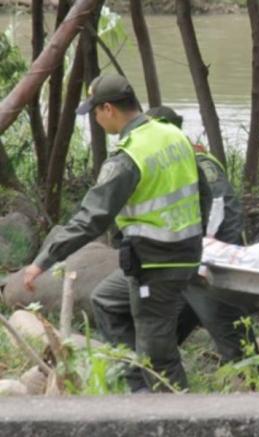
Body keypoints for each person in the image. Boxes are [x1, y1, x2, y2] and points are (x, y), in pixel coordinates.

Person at [23, 74, 203, 392]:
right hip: (184, 252)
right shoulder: (172, 134)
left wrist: (42, 261)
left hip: (156, 264)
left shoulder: (128, 157)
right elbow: (205, 193)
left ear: (108, 109)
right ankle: (138, 389)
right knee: (106, 300)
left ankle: (177, 411)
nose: (95, 118)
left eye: (95, 111)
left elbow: (91, 219)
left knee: (158, 353)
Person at [90, 105, 255, 392]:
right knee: (115, 306)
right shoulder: (156, 162)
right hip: (166, 265)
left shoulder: (197, 162)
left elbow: (226, 213)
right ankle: (142, 388)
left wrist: (213, 261)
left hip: (206, 268)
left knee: (239, 351)